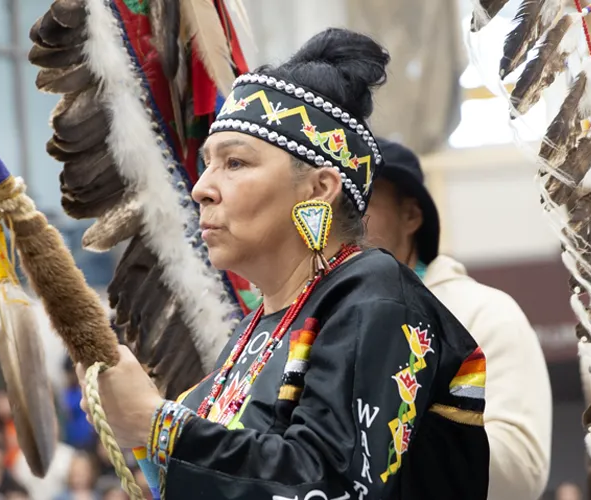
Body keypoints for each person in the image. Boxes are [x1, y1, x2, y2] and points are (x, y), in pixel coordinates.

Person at [81, 28, 489, 499]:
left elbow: (332, 484)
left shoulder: (375, 299)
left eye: (235, 163)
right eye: (207, 164)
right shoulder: (257, 329)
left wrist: (158, 425)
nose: (202, 188)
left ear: (319, 188)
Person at [363, 139, 551, 499]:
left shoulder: (484, 313)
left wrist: (390, 413)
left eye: (364, 201)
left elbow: (522, 475)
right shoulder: (315, 324)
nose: (345, 220)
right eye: (338, 204)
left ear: (411, 216)